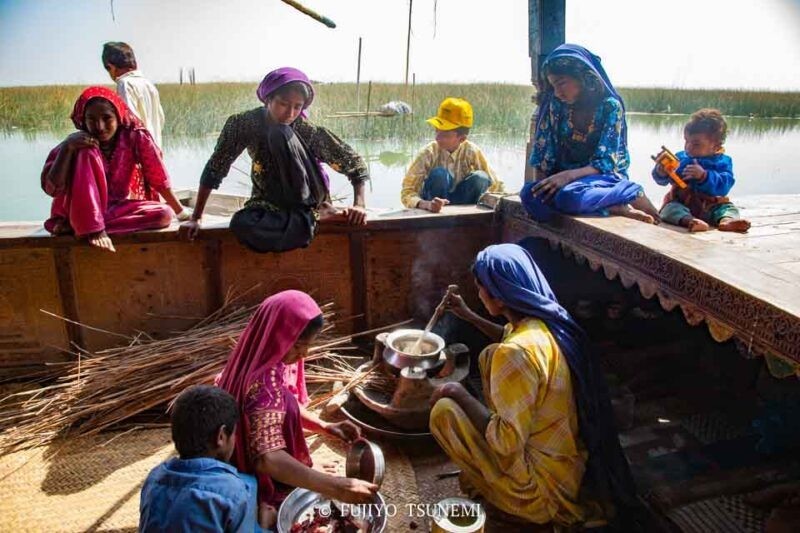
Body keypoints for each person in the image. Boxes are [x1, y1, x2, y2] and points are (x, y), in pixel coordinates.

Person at [430, 243, 635, 526]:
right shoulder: (548, 323)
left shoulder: (515, 353)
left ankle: (514, 505)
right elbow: (508, 334)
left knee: (444, 411)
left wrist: (456, 391)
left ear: (499, 297)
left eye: (480, 287)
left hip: (539, 491)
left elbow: (505, 443)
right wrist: (468, 315)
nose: (478, 293)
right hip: (568, 470)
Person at [217, 290, 377, 530]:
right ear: (278, 337)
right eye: (299, 346)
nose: (305, 354)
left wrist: (324, 426)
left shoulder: (254, 355)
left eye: (308, 345)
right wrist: (335, 486)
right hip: (256, 472)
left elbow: (278, 408)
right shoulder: (263, 385)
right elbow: (267, 459)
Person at [179, 67, 369, 253]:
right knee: (241, 224)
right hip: (269, 202)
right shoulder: (244, 124)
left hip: (307, 199)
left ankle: (314, 213)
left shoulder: (305, 129)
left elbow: (353, 162)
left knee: (279, 132)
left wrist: (359, 205)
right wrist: (196, 217)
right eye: (283, 104)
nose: (290, 113)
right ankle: (312, 220)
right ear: (268, 99)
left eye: (298, 107)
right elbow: (216, 167)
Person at [520, 44, 660, 224]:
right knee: (528, 194)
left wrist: (568, 176)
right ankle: (609, 206)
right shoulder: (556, 106)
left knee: (569, 197)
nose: (557, 92)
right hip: (566, 182)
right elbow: (543, 154)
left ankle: (627, 193)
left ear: (583, 78)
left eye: (562, 83)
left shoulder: (610, 107)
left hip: (600, 179)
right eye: (553, 86)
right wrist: (541, 191)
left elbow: (605, 163)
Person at [41, 86, 185, 252]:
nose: (100, 126)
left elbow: (158, 178)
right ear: (83, 120)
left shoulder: (134, 137)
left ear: (118, 117)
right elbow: (52, 189)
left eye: (107, 118)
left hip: (115, 209)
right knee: (87, 150)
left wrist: (181, 213)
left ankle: (79, 226)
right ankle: (91, 228)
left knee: (164, 214)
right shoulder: (76, 144)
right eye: (91, 119)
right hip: (78, 211)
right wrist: (68, 147)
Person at [139, 385, 263, 532]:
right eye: (234, 434)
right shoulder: (233, 492)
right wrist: (264, 525)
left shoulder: (154, 478)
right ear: (221, 436)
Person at [652, 108, 750, 233]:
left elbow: (724, 186)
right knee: (669, 209)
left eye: (696, 144)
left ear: (716, 146)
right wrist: (661, 172)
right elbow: (664, 180)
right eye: (686, 141)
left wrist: (704, 176)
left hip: (711, 205)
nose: (688, 147)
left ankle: (726, 221)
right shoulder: (681, 158)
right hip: (682, 204)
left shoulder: (723, 162)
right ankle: (691, 221)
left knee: (728, 208)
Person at [401, 97, 504, 212]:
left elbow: (496, 185)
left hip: (464, 205)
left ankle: (467, 218)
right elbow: (407, 191)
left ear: (462, 138)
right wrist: (426, 204)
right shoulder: (428, 153)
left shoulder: (472, 151)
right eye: (436, 131)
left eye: (444, 134)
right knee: (439, 174)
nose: (437, 138)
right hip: (432, 207)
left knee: (481, 178)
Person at [102, 42, 165, 149]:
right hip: (155, 151)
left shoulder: (124, 84)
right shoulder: (148, 85)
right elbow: (161, 120)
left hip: (139, 154)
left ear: (111, 66)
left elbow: (129, 124)